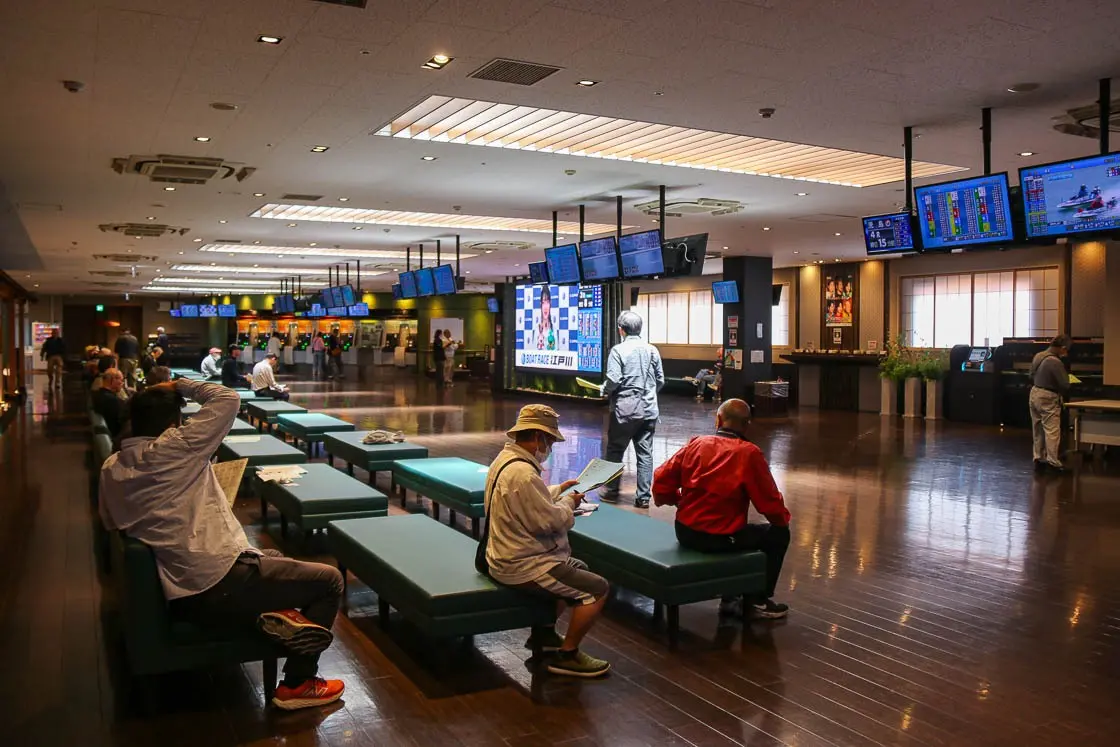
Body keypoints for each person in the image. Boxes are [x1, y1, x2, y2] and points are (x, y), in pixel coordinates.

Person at [98, 379, 345, 710]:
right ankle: (298, 684)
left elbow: (115, 521)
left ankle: (274, 615)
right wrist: (178, 384)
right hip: (217, 584)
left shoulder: (111, 468)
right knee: (329, 581)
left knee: (270, 555)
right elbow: (226, 398)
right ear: (174, 424)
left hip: (179, 588)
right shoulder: (176, 448)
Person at [483, 405, 610, 678]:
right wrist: (568, 502)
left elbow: (528, 501)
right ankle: (568, 655)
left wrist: (559, 490)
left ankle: (544, 634)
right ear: (539, 437)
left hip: (504, 554)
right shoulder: (524, 474)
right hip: (523, 564)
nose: (550, 446)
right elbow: (549, 522)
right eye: (550, 440)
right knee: (597, 589)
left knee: (579, 569)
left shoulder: (506, 461)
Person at [653, 399, 792, 619]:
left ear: (718, 419)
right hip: (719, 537)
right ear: (747, 425)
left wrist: (676, 500)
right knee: (777, 535)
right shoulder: (748, 453)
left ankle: (732, 595)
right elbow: (769, 503)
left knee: (746, 534)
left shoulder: (696, 444)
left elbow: (661, 479)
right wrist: (781, 522)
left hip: (685, 532)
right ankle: (756, 600)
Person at [600, 311, 664, 508]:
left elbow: (614, 379)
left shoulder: (618, 351)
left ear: (621, 330)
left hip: (625, 411)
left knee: (615, 449)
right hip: (649, 410)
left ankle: (611, 491)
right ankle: (643, 497)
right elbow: (660, 379)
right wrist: (650, 395)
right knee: (645, 453)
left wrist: (605, 390)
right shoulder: (652, 350)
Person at [1030, 335, 1071, 474]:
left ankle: (1038, 458)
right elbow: (1064, 384)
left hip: (1034, 392)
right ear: (1063, 348)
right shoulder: (1055, 362)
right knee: (1052, 430)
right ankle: (1053, 462)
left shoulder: (1038, 356)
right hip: (1048, 396)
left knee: (1038, 428)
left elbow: (1031, 374)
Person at [92, 368, 130, 439]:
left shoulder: (98, 395)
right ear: (113, 380)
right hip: (118, 438)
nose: (122, 383)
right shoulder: (113, 401)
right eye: (121, 380)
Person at [534, 286, 557, 351]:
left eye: (547, 302)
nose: (545, 307)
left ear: (550, 304)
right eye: (543, 303)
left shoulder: (554, 330)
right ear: (540, 305)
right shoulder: (536, 330)